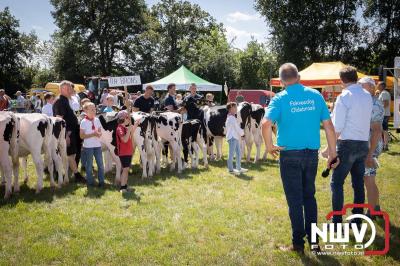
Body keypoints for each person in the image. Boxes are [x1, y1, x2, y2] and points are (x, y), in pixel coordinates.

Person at [262, 63, 338, 253]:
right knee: (309, 197)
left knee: (295, 200)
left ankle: (298, 244)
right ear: (299, 77)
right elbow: (329, 126)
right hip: (310, 154)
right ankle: (314, 241)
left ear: (280, 82)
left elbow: (265, 124)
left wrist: (270, 146)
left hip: (289, 155)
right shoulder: (315, 95)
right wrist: (333, 152)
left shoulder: (280, 98)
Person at [330, 66, 372, 226]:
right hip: (362, 143)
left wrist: (330, 148)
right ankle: (357, 220)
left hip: (347, 144)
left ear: (342, 81)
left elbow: (337, 127)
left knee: (336, 182)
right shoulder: (367, 95)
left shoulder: (344, 96)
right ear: (356, 77)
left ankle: (336, 221)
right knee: (358, 183)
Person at [358, 77, 384, 217]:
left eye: (361, 85)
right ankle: (376, 207)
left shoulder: (374, 104)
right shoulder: (368, 101)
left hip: (370, 146)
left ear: (371, 87)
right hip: (368, 145)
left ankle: (372, 211)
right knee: (369, 177)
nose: (358, 87)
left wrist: (370, 154)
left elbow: (376, 130)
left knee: (368, 179)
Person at [53, 80, 85, 183]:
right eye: (69, 88)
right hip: (68, 132)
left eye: (71, 88)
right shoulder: (60, 101)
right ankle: (76, 175)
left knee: (72, 153)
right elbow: (59, 120)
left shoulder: (66, 100)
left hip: (73, 130)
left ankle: (65, 172)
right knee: (70, 154)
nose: (71, 89)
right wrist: (65, 135)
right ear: (62, 89)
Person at [80, 102, 105, 187]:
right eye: (92, 109)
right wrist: (93, 134)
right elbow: (81, 136)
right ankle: (90, 182)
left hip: (97, 146)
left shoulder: (97, 120)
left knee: (101, 165)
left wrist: (98, 134)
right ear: (86, 110)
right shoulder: (83, 122)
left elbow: (100, 132)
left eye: (94, 109)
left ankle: (101, 182)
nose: (94, 111)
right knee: (89, 166)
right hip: (88, 147)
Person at [116, 110, 140, 193]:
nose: (129, 120)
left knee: (126, 170)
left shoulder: (124, 128)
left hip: (128, 151)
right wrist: (129, 129)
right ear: (123, 119)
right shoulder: (119, 128)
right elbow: (125, 139)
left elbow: (131, 133)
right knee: (125, 170)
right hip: (124, 152)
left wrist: (135, 125)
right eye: (127, 118)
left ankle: (125, 186)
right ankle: (122, 187)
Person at [225, 102, 247, 174]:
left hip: (235, 137)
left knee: (238, 153)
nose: (236, 109)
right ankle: (230, 169)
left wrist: (241, 134)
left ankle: (238, 168)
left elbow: (236, 128)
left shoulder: (232, 117)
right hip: (232, 138)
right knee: (231, 154)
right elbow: (237, 128)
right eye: (235, 107)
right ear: (230, 109)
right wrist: (243, 134)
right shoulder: (231, 118)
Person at [377, 82, 391, 150]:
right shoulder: (382, 93)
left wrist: (379, 110)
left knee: (384, 130)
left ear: (382, 86)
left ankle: (385, 145)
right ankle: (384, 145)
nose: (377, 86)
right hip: (384, 114)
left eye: (378, 85)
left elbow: (386, 104)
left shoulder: (384, 93)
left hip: (384, 114)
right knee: (383, 130)